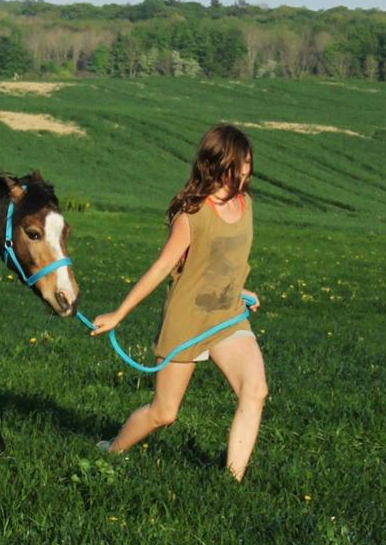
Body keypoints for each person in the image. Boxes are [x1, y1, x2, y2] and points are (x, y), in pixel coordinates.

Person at [88, 124, 267, 481]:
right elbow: (161, 269)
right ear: (218, 163)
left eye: (248, 162)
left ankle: (232, 480)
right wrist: (119, 314)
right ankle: (111, 451)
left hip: (227, 316)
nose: (246, 171)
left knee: (256, 390)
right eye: (239, 163)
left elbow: (224, 259)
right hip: (187, 322)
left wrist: (239, 290)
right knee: (164, 413)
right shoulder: (193, 216)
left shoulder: (245, 204)